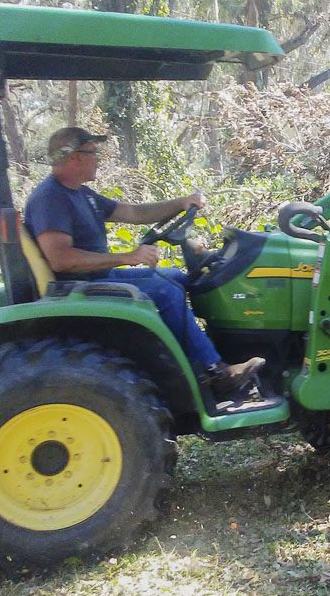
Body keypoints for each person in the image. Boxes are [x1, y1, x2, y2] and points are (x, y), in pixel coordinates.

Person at [24, 126, 264, 397]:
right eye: (93, 152)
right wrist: (129, 257)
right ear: (75, 157)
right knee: (166, 290)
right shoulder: (51, 198)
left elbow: (135, 212)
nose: (98, 158)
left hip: (96, 279)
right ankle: (215, 371)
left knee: (178, 277)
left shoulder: (81, 193)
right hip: (79, 286)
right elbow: (61, 260)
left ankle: (208, 351)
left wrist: (181, 202)